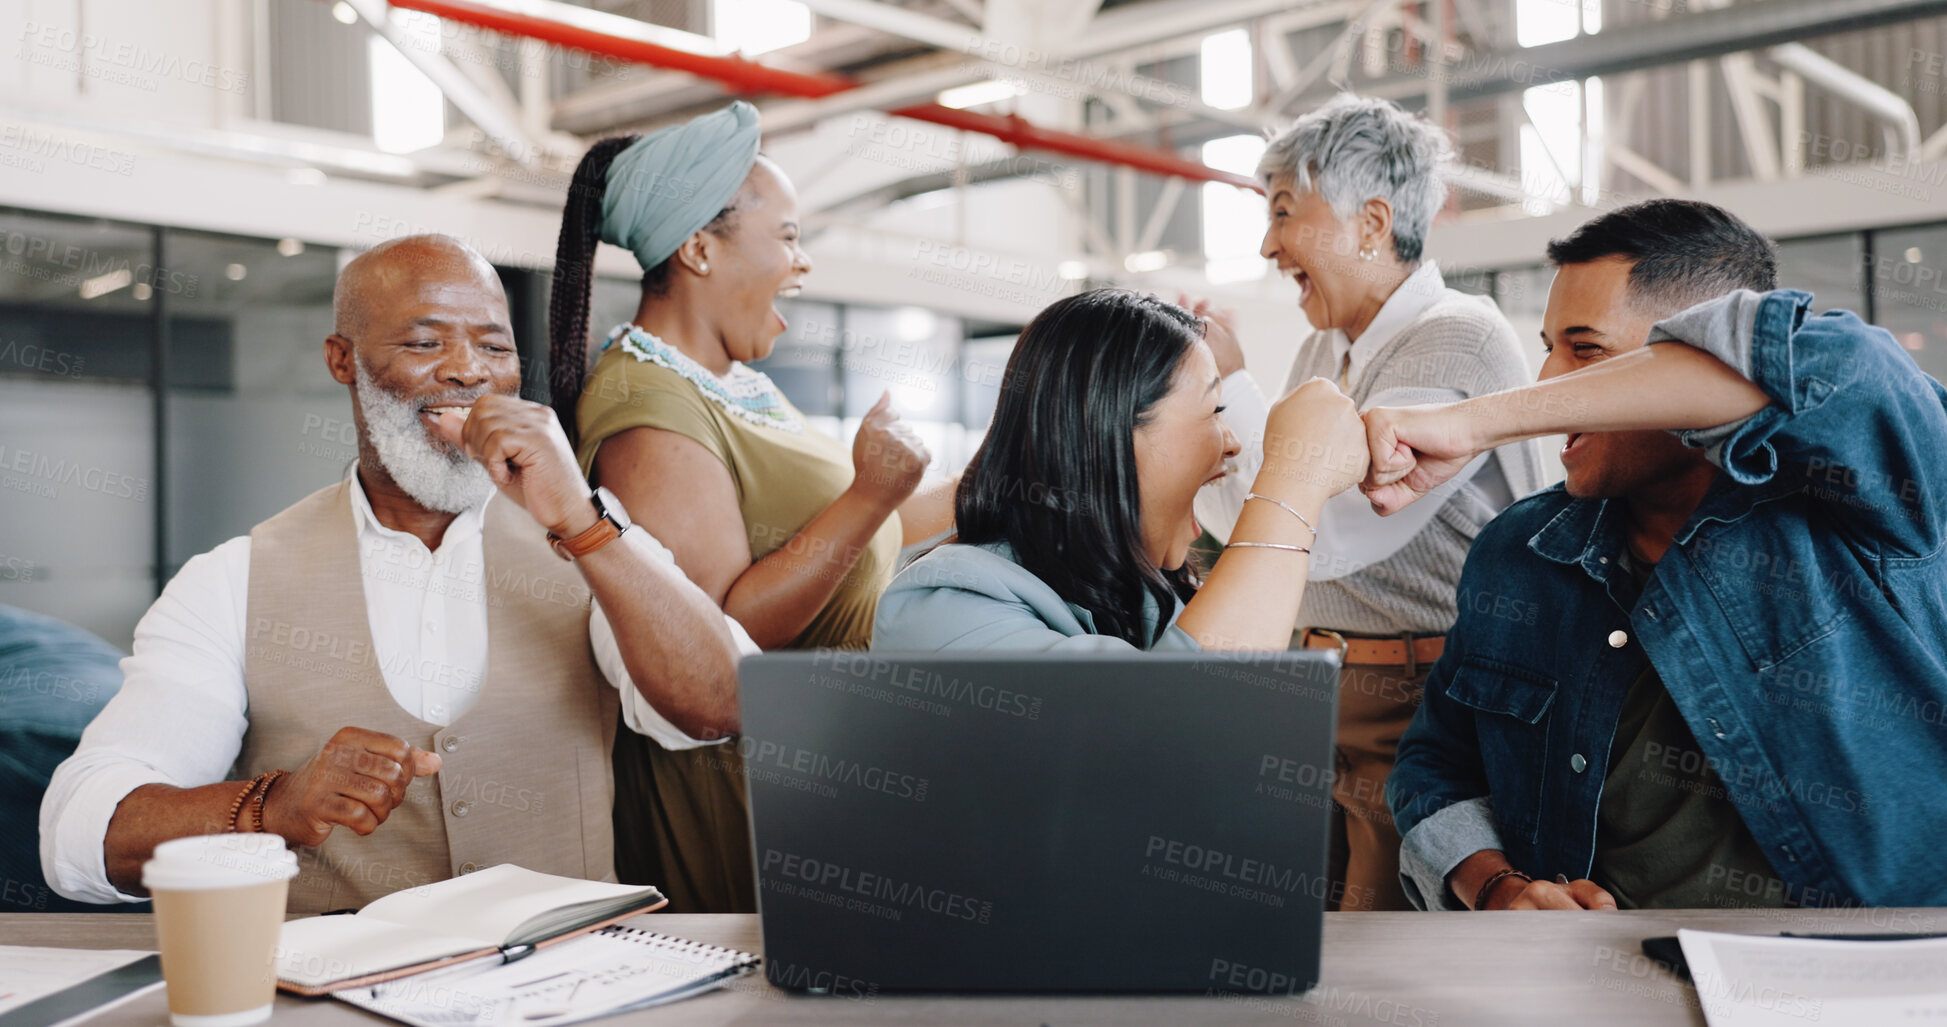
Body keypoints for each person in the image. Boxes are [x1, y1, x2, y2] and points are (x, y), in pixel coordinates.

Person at [41, 235, 754, 913]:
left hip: (565, 989)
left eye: (494, 346)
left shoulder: (594, 539)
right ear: (342, 359)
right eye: (424, 342)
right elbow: (80, 831)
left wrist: (582, 520)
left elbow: (723, 704)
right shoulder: (233, 579)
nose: (467, 370)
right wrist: (272, 804)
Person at [1376, 199, 1947, 910]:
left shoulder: (1863, 506)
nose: (1547, 379)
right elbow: (1434, 767)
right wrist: (1498, 888)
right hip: (1602, 982)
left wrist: (1469, 423)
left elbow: (1839, 362)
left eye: (1585, 351)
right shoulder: (1518, 551)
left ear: (1692, 361)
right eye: (1549, 345)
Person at [546, 101, 946, 912]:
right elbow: (725, 636)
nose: (801, 262)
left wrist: (1005, 472)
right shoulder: (647, 410)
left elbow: (865, 537)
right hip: (742, 798)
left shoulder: (734, 386)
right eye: (789, 235)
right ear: (698, 247)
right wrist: (869, 492)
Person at [1187, 94, 1546, 911]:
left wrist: (1233, 386)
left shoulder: (1461, 337)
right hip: (1317, 686)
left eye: (1282, 211)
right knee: (1291, 933)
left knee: (1373, 952)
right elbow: (1251, 517)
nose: (1267, 243)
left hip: (1413, 706)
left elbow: (1326, 534)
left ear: (1371, 222)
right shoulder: (1326, 348)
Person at [873, 289, 1369, 653]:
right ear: (1108, 432)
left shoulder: (1148, 602)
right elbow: (1176, 732)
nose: (1234, 443)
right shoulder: (950, 609)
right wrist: (1293, 481)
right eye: (1215, 410)